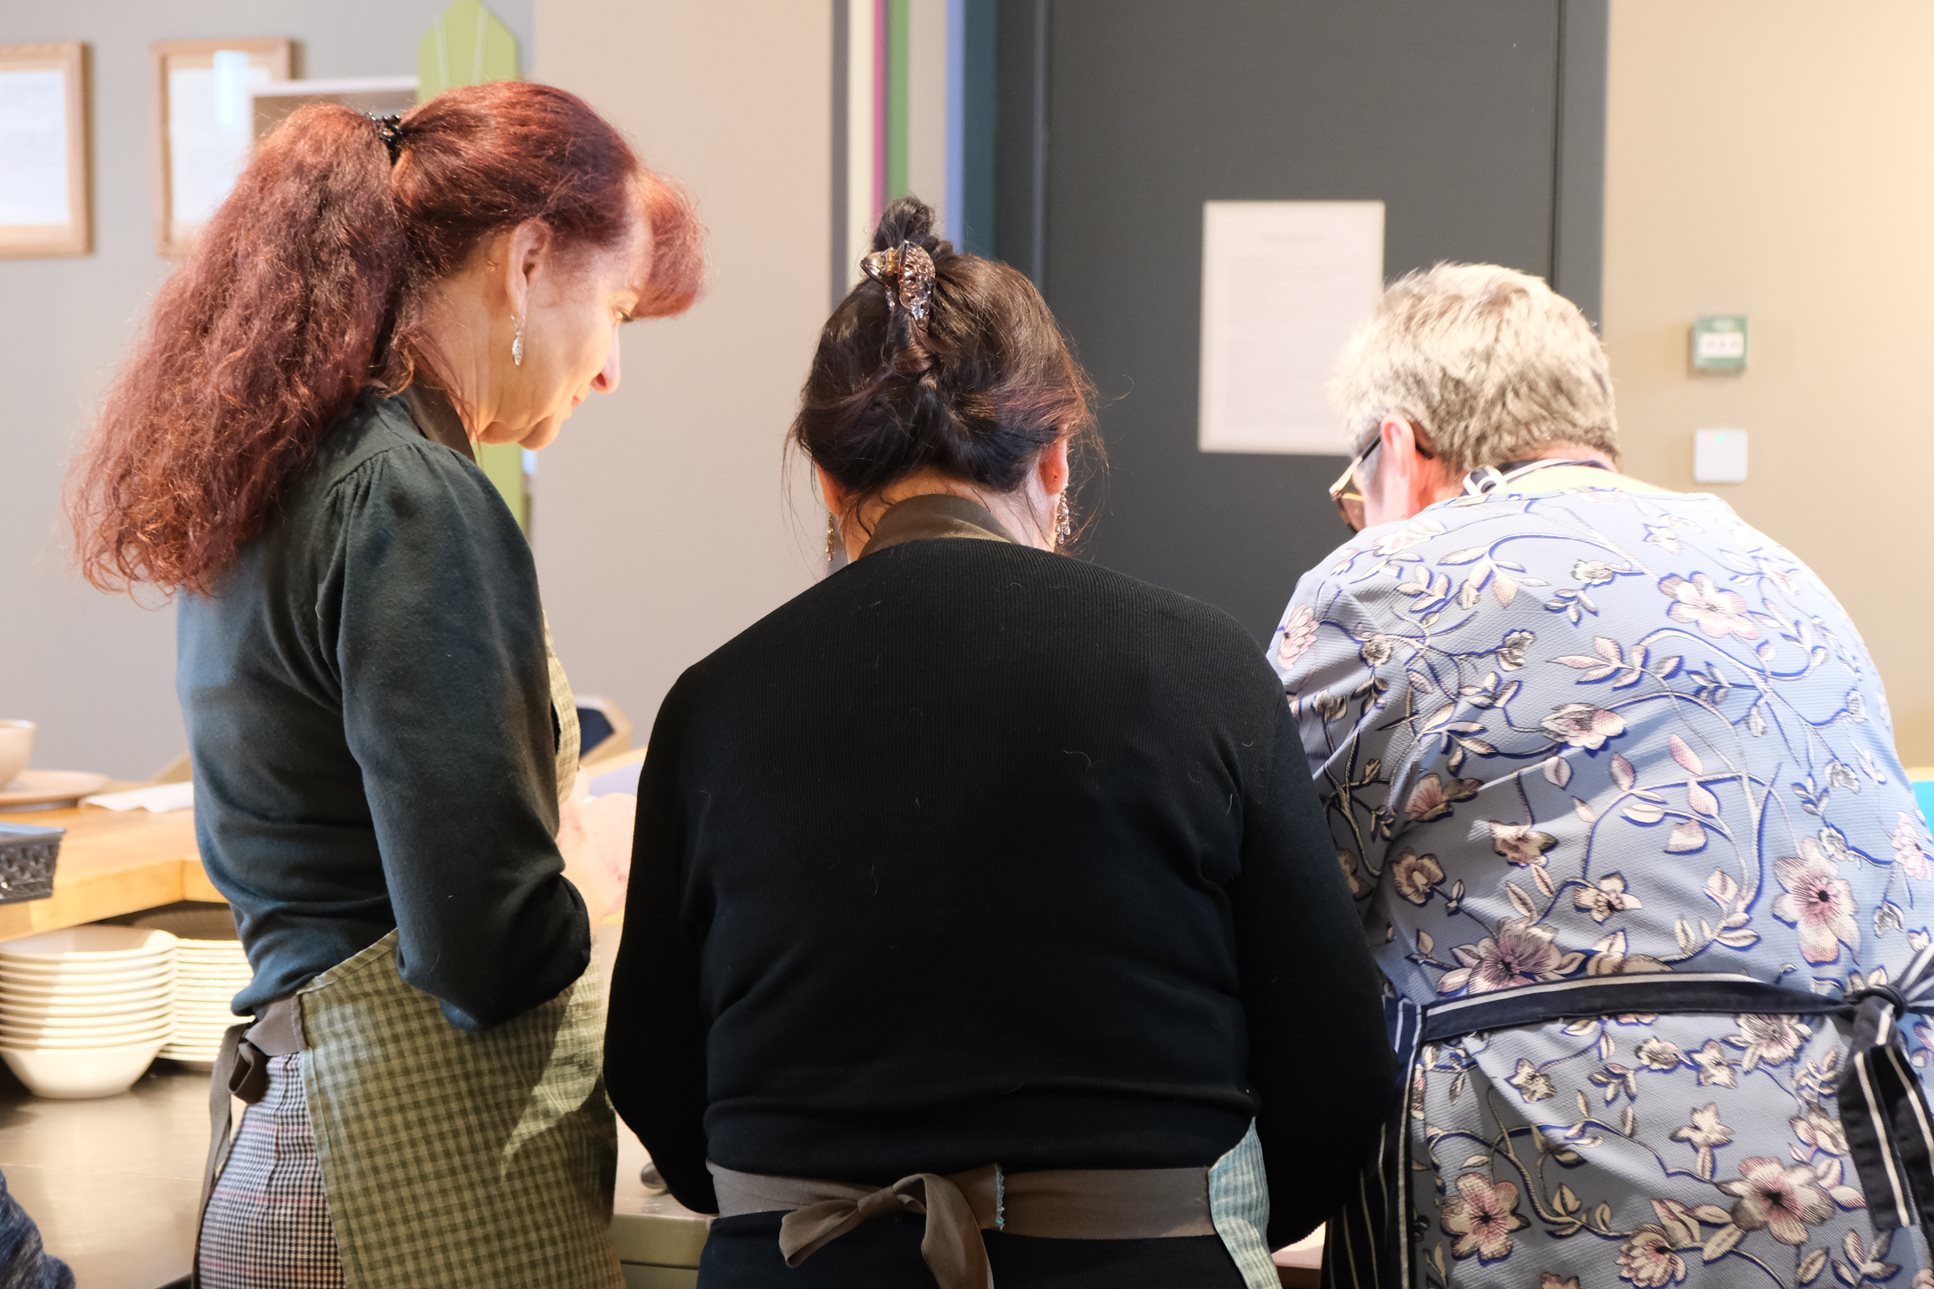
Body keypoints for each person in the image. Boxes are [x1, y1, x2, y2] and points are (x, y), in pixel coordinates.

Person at [603, 196, 1395, 1289]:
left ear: (829, 481)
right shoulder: (1202, 669)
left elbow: (653, 1078)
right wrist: (1191, 1218)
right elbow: (1337, 1073)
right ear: (1057, 461)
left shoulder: (712, 705)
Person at [67, 83, 702, 1288]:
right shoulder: (412, 495)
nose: (610, 370)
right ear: (526, 260)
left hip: (303, 1151)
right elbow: (486, 949)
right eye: (616, 309)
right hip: (388, 1189)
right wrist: (608, 864)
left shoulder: (283, 465)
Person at [1274, 263, 1934, 1289]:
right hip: (1868, 1179)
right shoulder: (1778, 568)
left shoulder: (1379, 583)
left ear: (1398, 446)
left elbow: (1275, 894)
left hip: (1563, 1192)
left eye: (1355, 487)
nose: (1355, 515)